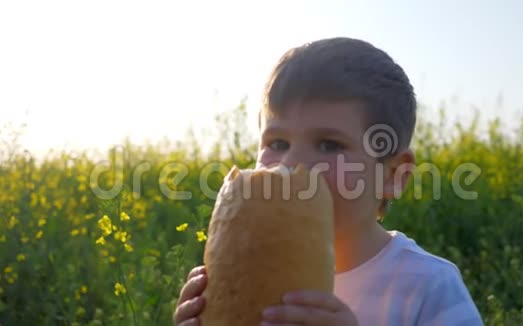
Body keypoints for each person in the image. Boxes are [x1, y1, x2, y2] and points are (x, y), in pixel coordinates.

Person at [173, 37, 483, 326]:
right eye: (277, 143)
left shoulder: (427, 286)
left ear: (392, 175)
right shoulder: (241, 270)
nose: (291, 164)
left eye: (329, 145)